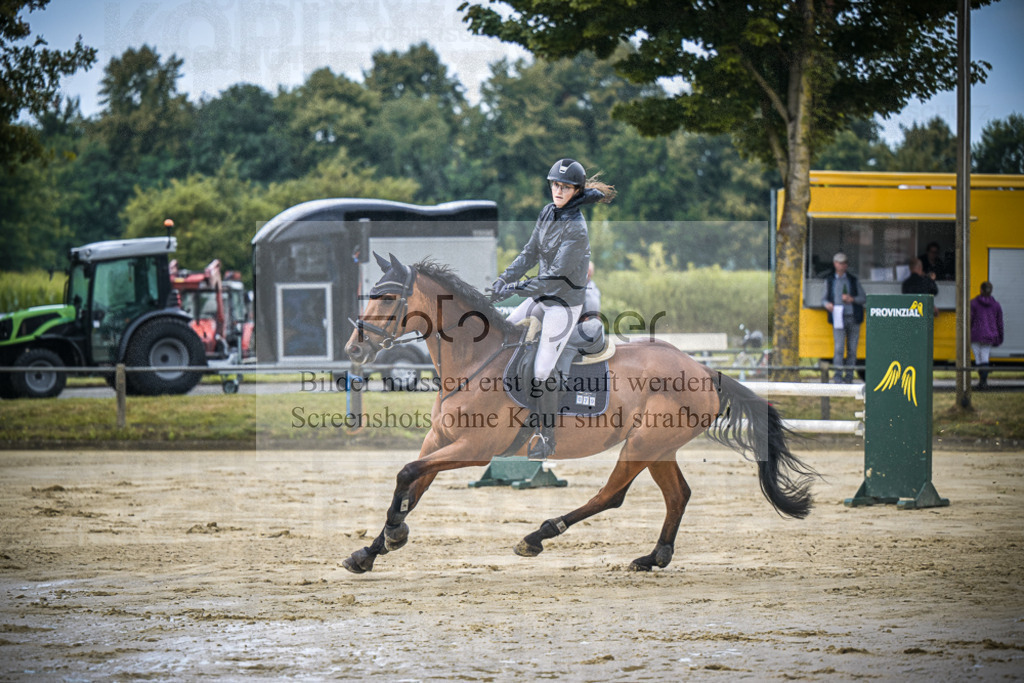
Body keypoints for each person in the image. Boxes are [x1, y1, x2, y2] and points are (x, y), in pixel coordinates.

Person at [491, 159, 615, 460]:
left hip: (563, 305)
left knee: (543, 369)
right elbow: (529, 253)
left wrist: (515, 287)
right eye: (555, 185)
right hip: (541, 298)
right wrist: (503, 278)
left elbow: (555, 277)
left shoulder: (577, 229)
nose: (558, 191)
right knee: (500, 337)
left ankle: (547, 437)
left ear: (576, 191)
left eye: (565, 187)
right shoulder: (547, 212)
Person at [821, 252, 865, 384]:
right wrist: (827, 305)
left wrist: (852, 299)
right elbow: (823, 299)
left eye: (844, 263)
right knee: (839, 348)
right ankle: (838, 376)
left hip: (853, 317)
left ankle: (849, 376)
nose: (842, 266)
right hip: (838, 317)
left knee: (852, 349)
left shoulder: (853, 280)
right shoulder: (830, 280)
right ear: (835, 264)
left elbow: (863, 298)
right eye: (840, 263)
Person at [970, 281, 1004, 390]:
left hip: (975, 335)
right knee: (985, 357)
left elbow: (969, 320)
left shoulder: (973, 303)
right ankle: (983, 382)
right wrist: (1000, 337)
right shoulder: (996, 305)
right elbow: (1000, 323)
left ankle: (982, 382)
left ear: (980, 290)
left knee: (978, 360)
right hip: (989, 336)